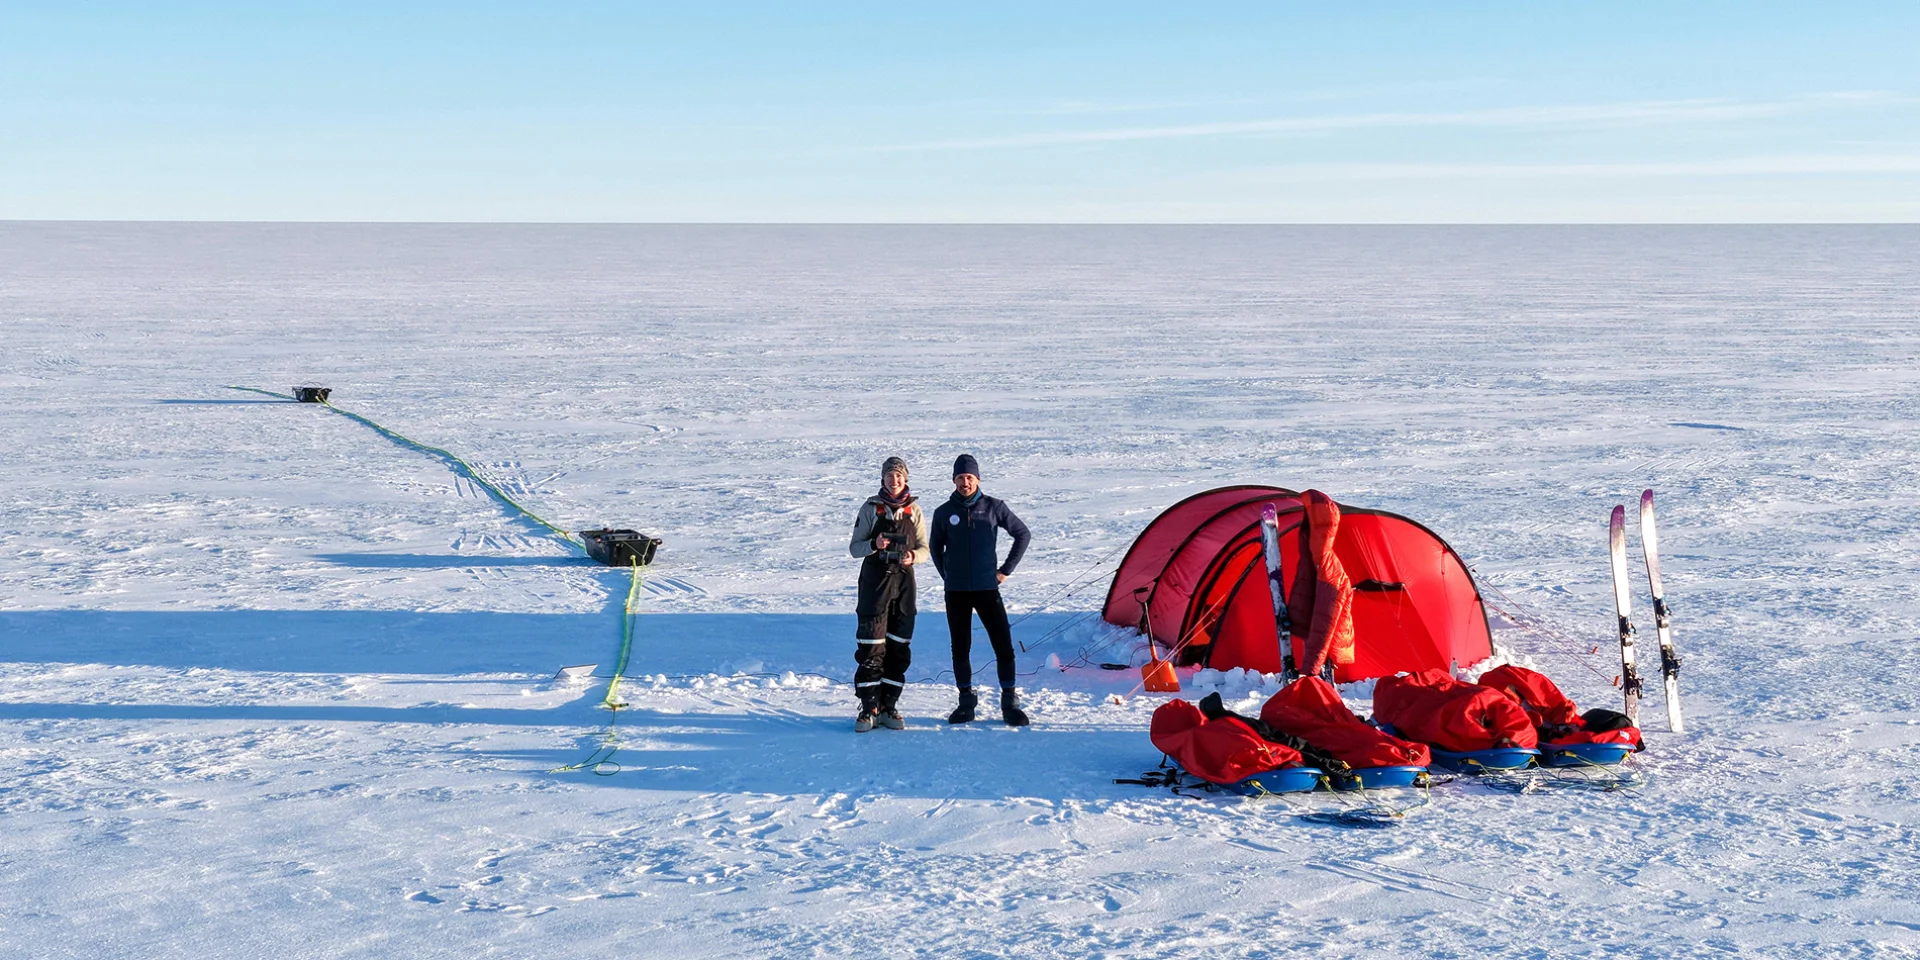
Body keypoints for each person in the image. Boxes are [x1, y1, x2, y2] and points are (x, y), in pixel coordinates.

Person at [930, 454, 1032, 726]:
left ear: (978, 479)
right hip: (957, 592)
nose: (965, 482)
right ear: (954, 480)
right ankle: (966, 703)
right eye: (961, 477)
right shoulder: (943, 513)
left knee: (1003, 645)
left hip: (988, 588)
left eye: (970, 477)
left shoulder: (994, 507)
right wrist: (948, 576)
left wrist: (1006, 570)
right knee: (960, 648)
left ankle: (1010, 702)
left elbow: (1023, 534)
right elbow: (934, 548)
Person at [847, 456, 930, 732]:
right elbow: (854, 548)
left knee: (898, 646)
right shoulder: (871, 508)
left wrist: (912, 556)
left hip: (904, 585)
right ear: (882, 479)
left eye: (898, 476)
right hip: (875, 585)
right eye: (889, 476)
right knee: (872, 646)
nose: (894, 480)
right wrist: (874, 543)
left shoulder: (914, 510)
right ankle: (869, 707)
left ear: (905, 479)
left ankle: (889, 705)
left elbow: (925, 549)